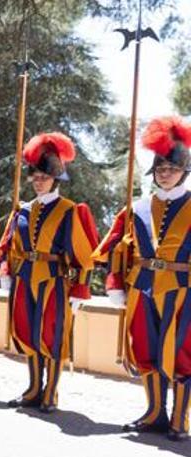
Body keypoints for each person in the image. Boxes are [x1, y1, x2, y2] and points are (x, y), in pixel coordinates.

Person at [94, 116, 191, 440]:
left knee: (181, 353)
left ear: (184, 171)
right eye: (160, 169)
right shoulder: (136, 208)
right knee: (146, 350)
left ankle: (179, 420)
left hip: (183, 291)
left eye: (172, 169)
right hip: (141, 288)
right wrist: (114, 285)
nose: (165, 174)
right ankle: (154, 413)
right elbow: (114, 248)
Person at [0, 132, 99, 413]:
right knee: (28, 332)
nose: (39, 180)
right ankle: (33, 389)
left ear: (56, 178)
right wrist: (7, 270)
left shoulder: (69, 211)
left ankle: (50, 392)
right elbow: (9, 247)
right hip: (24, 277)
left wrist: (80, 288)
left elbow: (84, 255)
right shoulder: (22, 210)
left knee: (51, 336)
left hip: (53, 279)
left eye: (44, 176)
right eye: (35, 176)